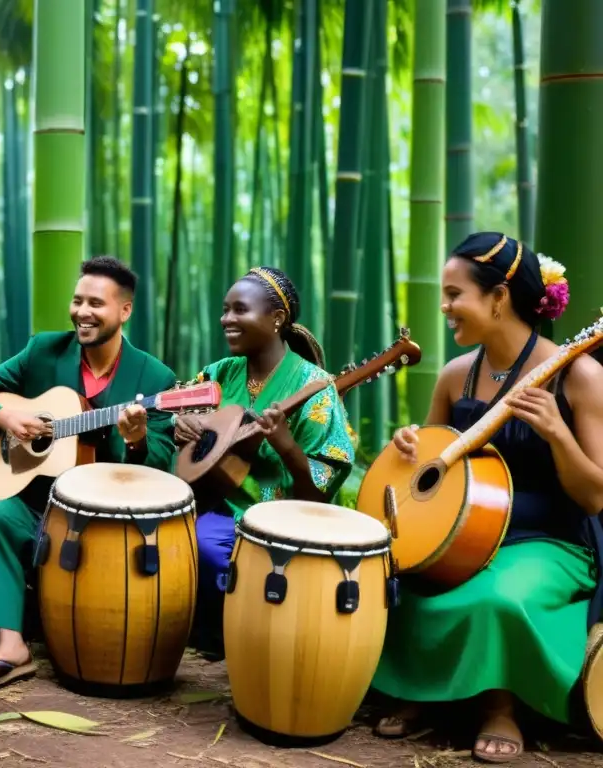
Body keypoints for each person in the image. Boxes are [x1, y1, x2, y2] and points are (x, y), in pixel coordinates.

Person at [371, 232, 603, 763]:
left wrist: (558, 435)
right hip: (460, 535)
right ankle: (423, 692)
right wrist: (406, 447)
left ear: (499, 297)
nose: (445, 307)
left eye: (455, 295)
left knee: (497, 597)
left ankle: (503, 706)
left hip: (553, 541)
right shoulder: (457, 376)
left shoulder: (579, 375)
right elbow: (425, 470)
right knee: (399, 577)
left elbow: (595, 497)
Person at [0, 255, 178, 689]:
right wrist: (5, 419)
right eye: (78, 301)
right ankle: (10, 647)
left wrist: (136, 439)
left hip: (108, 517)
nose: (82, 312)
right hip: (40, 503)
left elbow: (160, 468)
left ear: (124, 311)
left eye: (96, 303)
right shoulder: (44, 350)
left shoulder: (156, 378)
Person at [174, 266, 356, 660]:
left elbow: (318, 496)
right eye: (225, 310)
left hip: (283, 517)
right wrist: (182, 424)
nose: (226, 319)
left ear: (276, 319)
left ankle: (241, 636)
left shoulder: (317, 388)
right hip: (211, 500)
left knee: (204, 544)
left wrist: (287, 446)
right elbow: (171, 411)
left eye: (240, 309)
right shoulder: (219, 374)